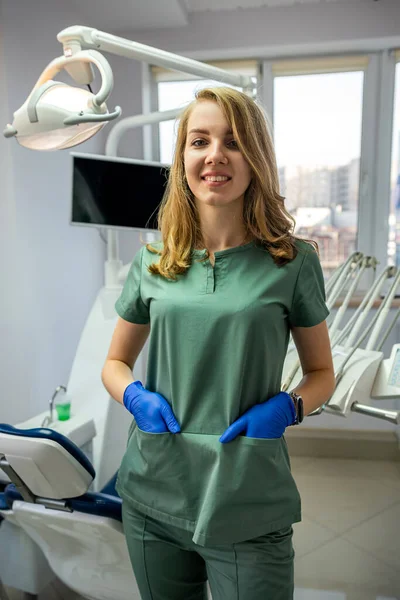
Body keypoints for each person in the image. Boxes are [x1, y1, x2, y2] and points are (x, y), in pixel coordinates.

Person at [101, 86, 335, 600]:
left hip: (245, 495)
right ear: (182, 157)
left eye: (232, 142)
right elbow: (115, 363)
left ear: (255, 157)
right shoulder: (154, 261)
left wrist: (289, 407)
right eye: (199, 141)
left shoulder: (292, 261)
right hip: (154, 491)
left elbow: (322, 375)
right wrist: (135, 397)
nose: (214, 156)